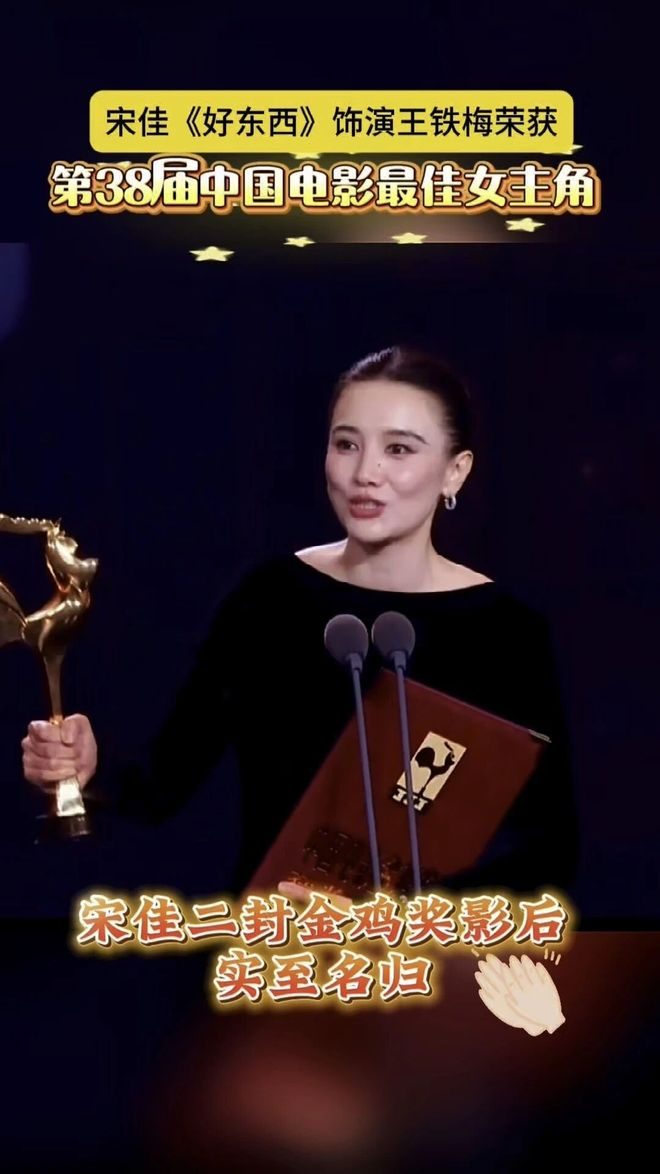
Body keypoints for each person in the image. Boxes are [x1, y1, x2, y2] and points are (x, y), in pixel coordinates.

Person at [21, 345, 579, 895]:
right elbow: (160, 784)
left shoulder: (507, 632)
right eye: (346, 444)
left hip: (420, 948)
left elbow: (548, 851)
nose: (366, 473)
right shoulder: (270, 599)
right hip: (272, 938)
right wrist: (88, 765)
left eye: (399, 449)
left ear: (455, 472)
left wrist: (401, 912)